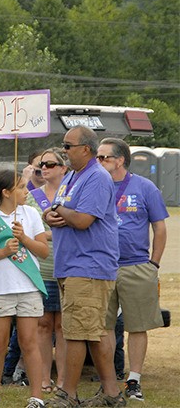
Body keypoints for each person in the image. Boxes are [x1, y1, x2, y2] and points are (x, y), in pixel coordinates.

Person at [44, 126, 125, 408]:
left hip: (88, 266)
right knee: (94, 332)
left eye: (67, 146)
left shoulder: (97, 178)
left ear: (85, 150)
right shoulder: (73, 176)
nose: (63, 151)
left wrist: (61, 212)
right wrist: (52, 213)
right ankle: (112, 394)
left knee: (77, 333)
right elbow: (57, 207)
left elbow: (82, 220)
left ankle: (68, 394)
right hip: (72, 265)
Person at [0, 170, 49, 408]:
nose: (27, 192)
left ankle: (36, 398)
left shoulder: (31, 214)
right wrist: (3, 252)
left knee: (29, 342)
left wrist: (24, 238)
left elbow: (43, 251)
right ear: (6, 192)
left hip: (28, 287)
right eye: (22, 187)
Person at [97, 138, 168, 401]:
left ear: (119, 161)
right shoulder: (94, 185)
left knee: (137, 326)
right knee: (102, 327)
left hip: (136, 266)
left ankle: (134, 380)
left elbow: (159, 227)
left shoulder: (144, 187)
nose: (99, 162)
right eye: (98, 157)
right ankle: (108, 382)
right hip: (101, 267)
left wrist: (154, 263)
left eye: (104, 158)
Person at [26, 148, 69, 394]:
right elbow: (26, 231)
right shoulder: (32, 197)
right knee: (42, 325)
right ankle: (43, 377)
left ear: (64, 168)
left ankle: (62, 378)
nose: (45, 168)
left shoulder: (72, 195)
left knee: (63, 327)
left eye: (51, 164)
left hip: (67, 268)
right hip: (40, 269)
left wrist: (45, 236)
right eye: (42, 164)